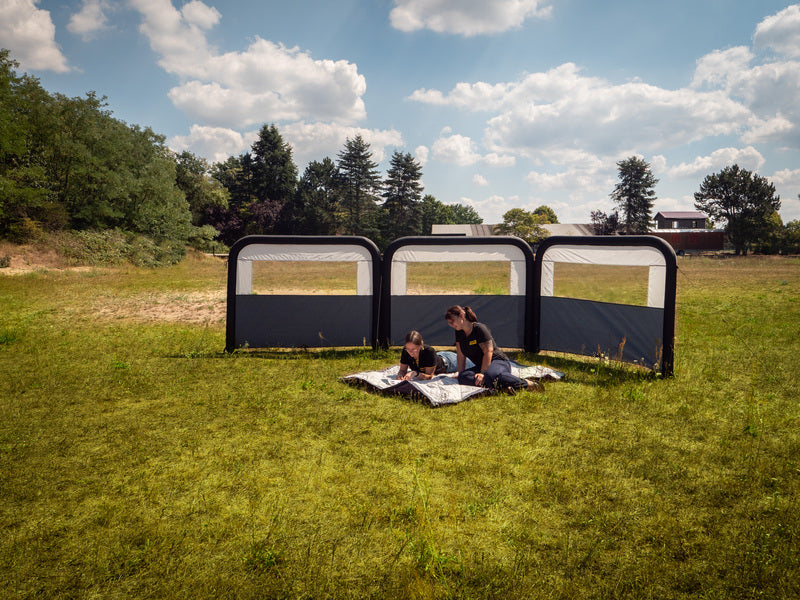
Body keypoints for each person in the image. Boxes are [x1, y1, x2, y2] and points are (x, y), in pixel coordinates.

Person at [444, 305, 542, 393]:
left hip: (498, 361)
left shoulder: (480, 329)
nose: (450, 324)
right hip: (481, 365)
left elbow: (488, 351)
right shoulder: (459, 332)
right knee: (463, 377)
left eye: (452, 321)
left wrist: (482, 373)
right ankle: (503, 387)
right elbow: (461, 355)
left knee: (490, 376)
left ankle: (529, 384)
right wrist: (460, 373)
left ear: (461, 315)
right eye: (449, 323)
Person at [396, 330, 468, 381]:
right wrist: (400, 374)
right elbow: (402, 370)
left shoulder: (428, 352)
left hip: (449, 362)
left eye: (413, 349)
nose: (410, 352)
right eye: (408, 349)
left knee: (473, 363)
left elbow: (429, 376)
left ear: (420, 345)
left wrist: (415, 373)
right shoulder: (405, 351)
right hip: (438, 356)